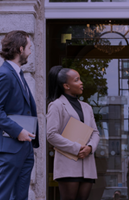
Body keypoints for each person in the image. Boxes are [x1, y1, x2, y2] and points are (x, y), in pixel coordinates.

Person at [0, 30, 39, 200]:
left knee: (20, 196)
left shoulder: (18, 74)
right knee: (1, 196)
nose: (31, 51)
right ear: (20, 49)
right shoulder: (4, 75)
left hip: (25, 147)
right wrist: (19, 132)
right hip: (11, 147)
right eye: (29, 47)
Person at [46, 66, 100, 200]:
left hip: (87, 164)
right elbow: (51, 135)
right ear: (66, 85)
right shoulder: (56, 105)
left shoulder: (87, 107)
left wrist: (90, 148)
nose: (81, 83)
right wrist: (77, 148)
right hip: (67, 164)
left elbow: (95, 132)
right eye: (77, 80)